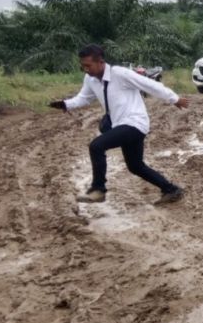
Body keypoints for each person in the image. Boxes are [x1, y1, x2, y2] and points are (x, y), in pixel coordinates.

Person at [48, 43, 187, 204]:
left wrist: (174, 99)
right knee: (135, 166)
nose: (86, 69)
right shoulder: (90, 79)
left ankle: (98, 190)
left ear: (100, 62)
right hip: (119, 125)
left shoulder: (120, 74)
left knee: (97, 146)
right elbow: (84, 98)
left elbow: (150, 85)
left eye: (88, 65)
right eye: (83, 66)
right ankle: (171, 189)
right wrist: (66, 104)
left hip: (135, 122)